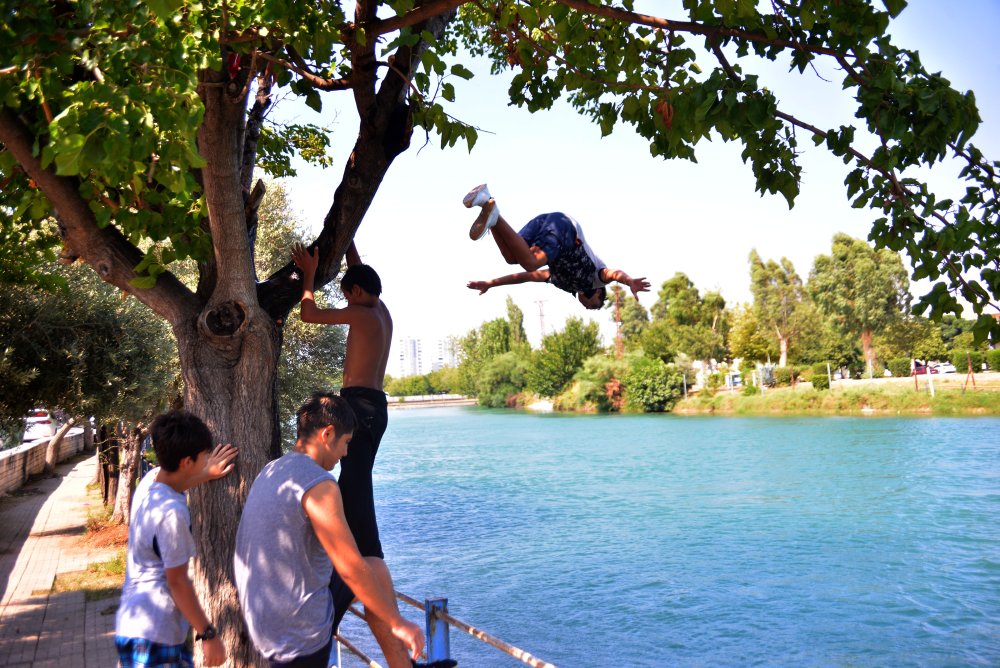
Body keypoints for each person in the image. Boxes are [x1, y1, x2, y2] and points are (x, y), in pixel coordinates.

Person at [234, 393, 423, 668]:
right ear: (328, 434)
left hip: (263, 626)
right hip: (299, 637)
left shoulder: (272, 470)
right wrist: (398, 623)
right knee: (365, 569)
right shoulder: (319, 483)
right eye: (346, 442)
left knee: (375, 568)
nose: (345, 453)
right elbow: (349, 567)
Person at [290, 243, 407, 664]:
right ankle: (359, 556)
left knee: (353, 488)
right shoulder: (381, 310)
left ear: (356, 293)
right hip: (376, 407)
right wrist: (349, 243)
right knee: (355, 484)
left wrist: (309, 273)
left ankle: (364, 562)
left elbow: (308, 314)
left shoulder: (359, 313)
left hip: (357, 406)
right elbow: (362, 273)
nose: (345, 300)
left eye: (346, 293)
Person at [115, 411, 239, 668]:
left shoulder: (149, 484)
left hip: (134, 625)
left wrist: (207, 473)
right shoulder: (172, 514)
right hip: (155, 634)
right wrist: (208, 634)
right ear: (186, 462)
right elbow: (178, 582)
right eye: (204, 456)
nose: (208, 459)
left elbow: (178, 482)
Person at [463, 183, 651, 309]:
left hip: (546, 223)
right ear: (599, 292)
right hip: (566, 229)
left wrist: (490, 283)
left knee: (512, 257)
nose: (588, 307)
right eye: (594, 305)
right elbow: (614, 274)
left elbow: (524, 278)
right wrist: (629, 281)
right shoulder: (597, 278)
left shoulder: (561, 282)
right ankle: (493, 216)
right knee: (531, 262)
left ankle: (488, 204)